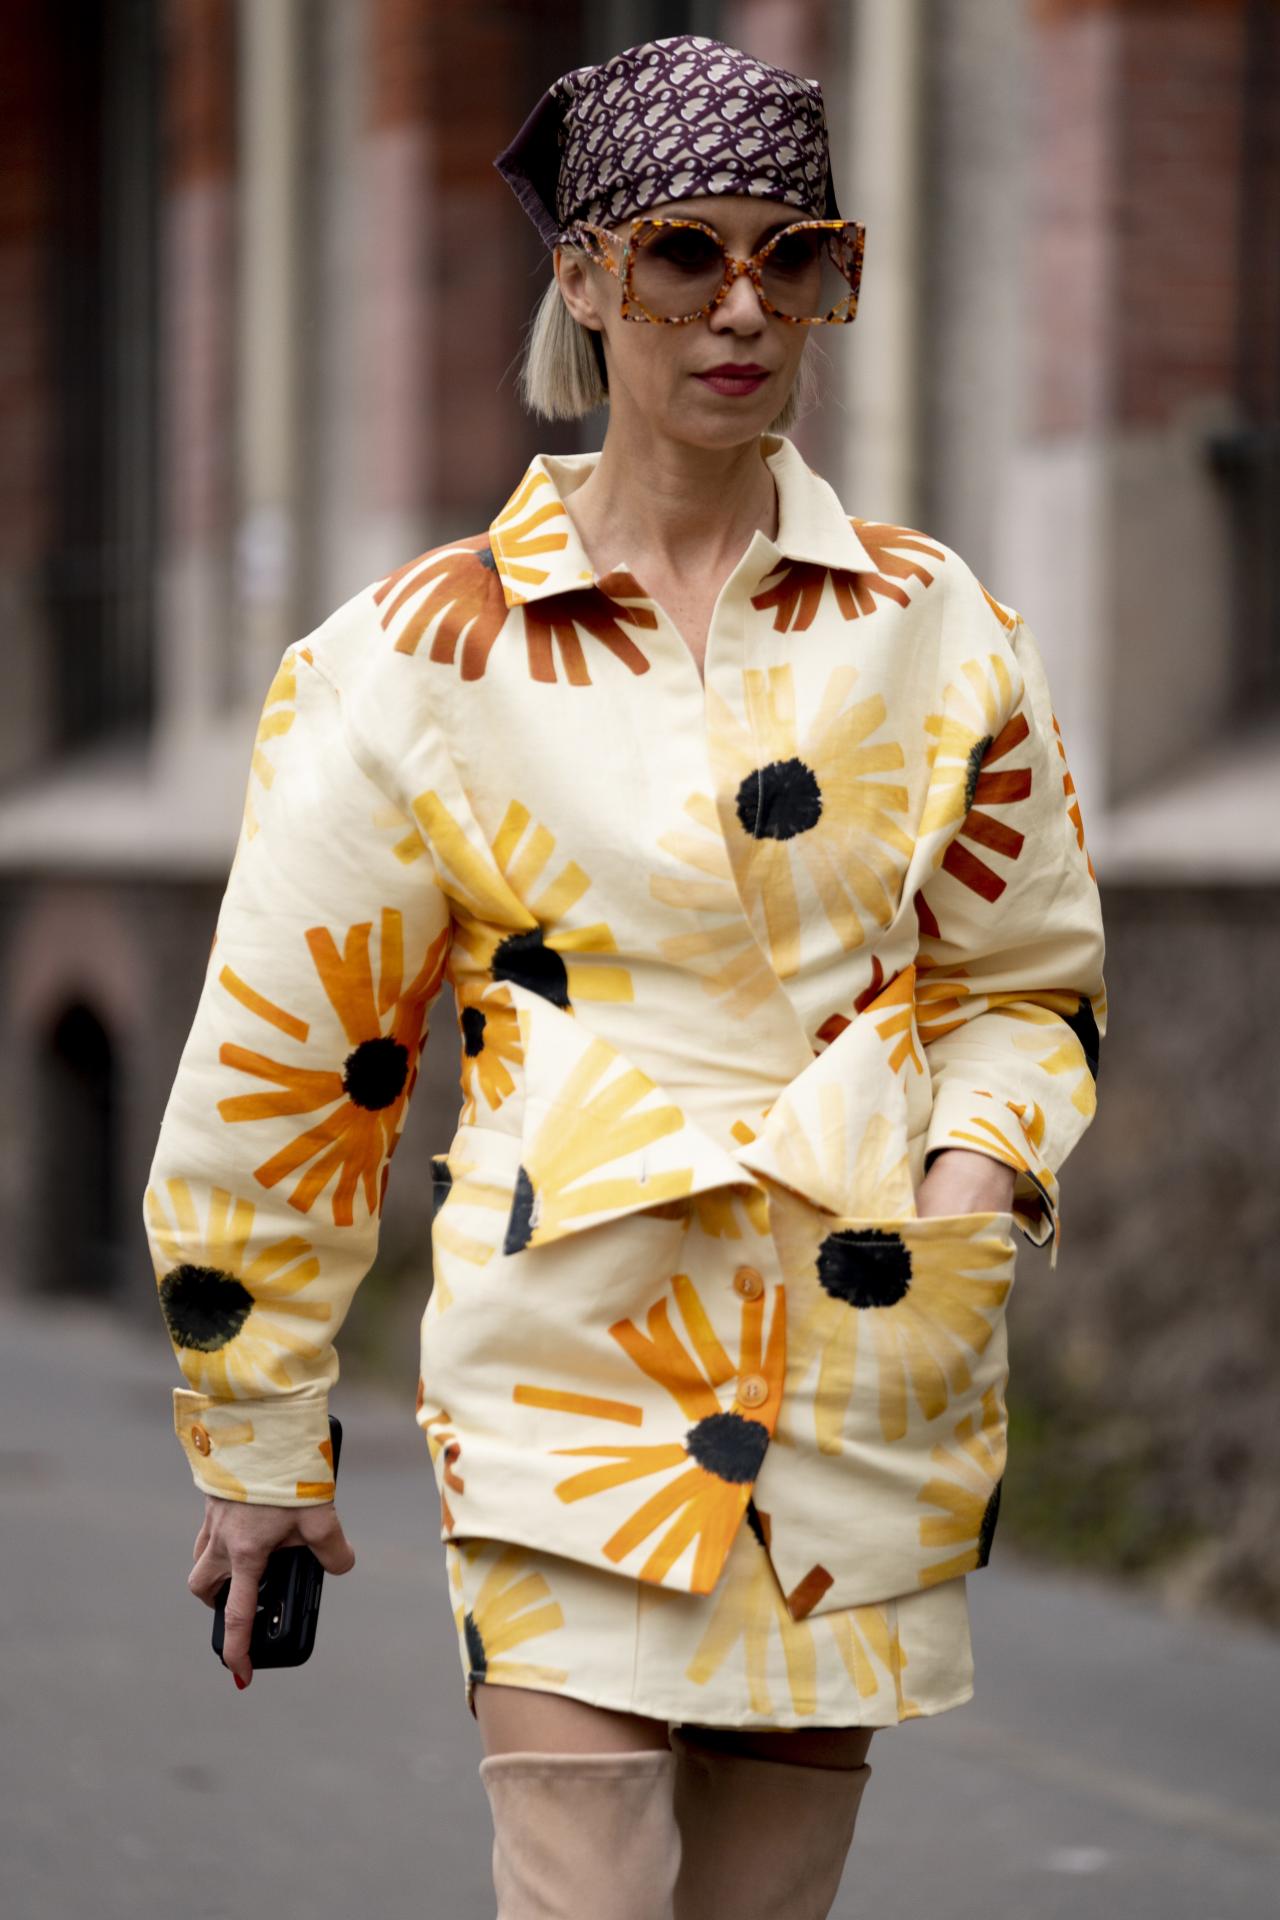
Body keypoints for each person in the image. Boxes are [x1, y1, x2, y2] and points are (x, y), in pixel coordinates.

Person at [144, 32, 1107, 1920]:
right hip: (565, 1372)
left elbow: (1026, 981)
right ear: (584, 278)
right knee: (579, 1887)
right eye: (684, 253)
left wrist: (967, 1184)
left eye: (793, 256)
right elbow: (301, 1053)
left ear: (832, 283)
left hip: (861, 1366)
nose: (742, 308)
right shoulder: (414, 654)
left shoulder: (938, 626)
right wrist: (257, 1432)